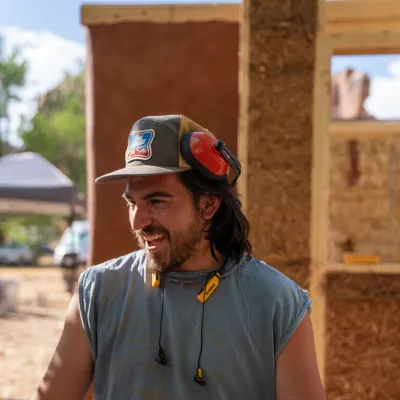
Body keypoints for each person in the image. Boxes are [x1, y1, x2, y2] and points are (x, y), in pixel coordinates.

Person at [33, 115, 326, 400]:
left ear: (208, 204)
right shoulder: (97, 291)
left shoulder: (277, 302)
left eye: (157, 201)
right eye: (131, 203)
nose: (137, 221)